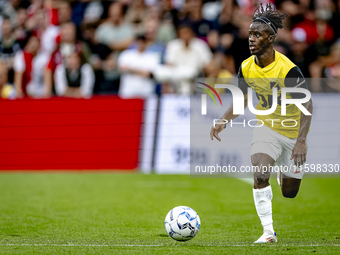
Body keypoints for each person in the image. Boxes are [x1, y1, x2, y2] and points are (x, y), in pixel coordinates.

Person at [210, 4, 313, 243]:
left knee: (289, 192)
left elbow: (307, 105)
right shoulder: (246, 66)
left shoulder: (288, 70)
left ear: (271, 38)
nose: (251, 39)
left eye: (257, 34)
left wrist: (301, 142)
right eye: (250, 34)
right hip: (266, 128)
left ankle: (283, 172)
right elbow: (242, 99)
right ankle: (268, 233)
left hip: (292, 133)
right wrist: (222, 120)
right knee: (260, 173)